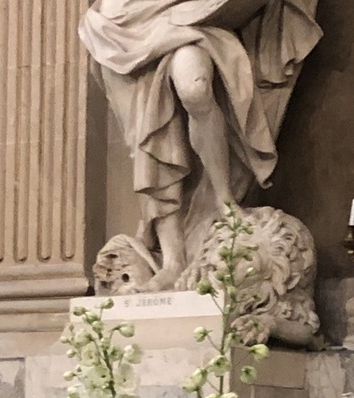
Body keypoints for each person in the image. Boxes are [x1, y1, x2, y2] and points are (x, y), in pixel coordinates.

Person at [80, 0, 322, 287]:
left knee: (194, 88)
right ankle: (173, 259)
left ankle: (225, 200)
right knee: (147, 135)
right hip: (125, 23)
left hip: (193, 19)